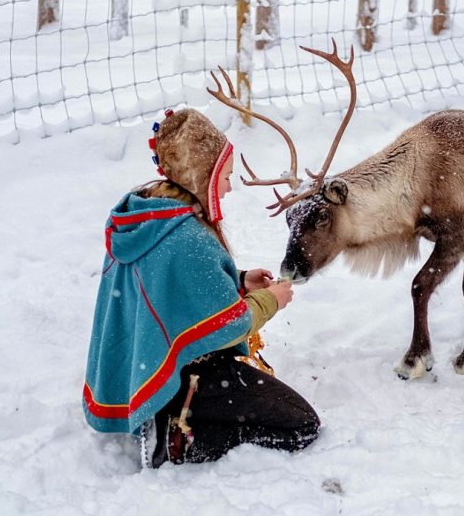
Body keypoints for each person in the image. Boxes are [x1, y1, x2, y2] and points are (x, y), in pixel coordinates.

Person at [82, 108, 320, 467]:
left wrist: (238, 280)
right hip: (188, 374)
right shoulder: (188, 237)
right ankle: (182, 438)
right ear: (201, 175)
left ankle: (173, 412)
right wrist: (271, 300)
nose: (227, 187)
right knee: (301, 424)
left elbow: (170, 284)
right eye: (223, 176)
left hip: (146, 365)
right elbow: (231, 324)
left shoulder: (147, 214)